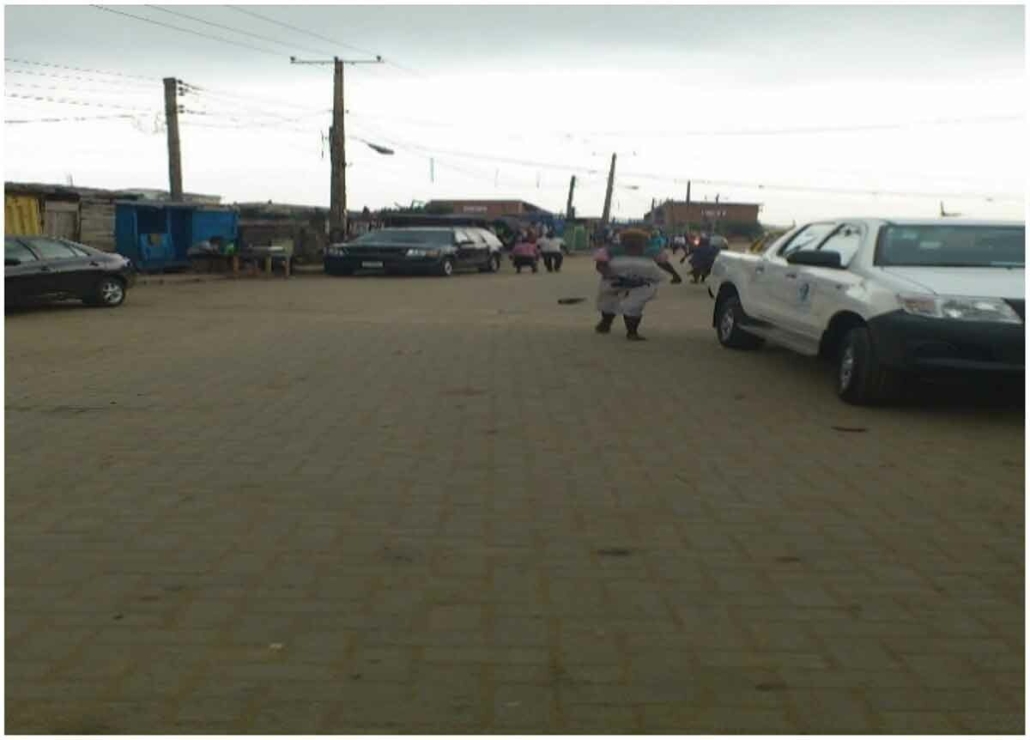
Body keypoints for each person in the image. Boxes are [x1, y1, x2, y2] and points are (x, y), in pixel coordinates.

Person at [593, 228, 665, 341]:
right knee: (608, 301)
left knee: (633, 305)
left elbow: (663, 264)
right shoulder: (610, 250)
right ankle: (606, 322)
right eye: (629, 239)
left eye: (637, 239)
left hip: (643, 283)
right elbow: (600, 265)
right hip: (615, 280)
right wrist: (614, 276)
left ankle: (631, 332)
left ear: (644, 241)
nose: (633, 241)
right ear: (622, 240)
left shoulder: (653, 251)